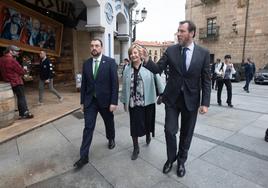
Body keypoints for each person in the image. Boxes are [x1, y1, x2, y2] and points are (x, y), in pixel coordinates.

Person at [144, 20, 211, 177]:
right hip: (172, 99)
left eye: (182, 31)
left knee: (186, 133)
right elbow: (158, 68)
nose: (178, 34)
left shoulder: (203, 53)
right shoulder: (171, 50)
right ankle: (170, 158)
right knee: (169, 130)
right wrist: (147, 60)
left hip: (192, 100)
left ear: (191, 33)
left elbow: (206, 79)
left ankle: (181, 161)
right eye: (178, 31)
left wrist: (205, 103)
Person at [74, 39, 118, 168]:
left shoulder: (110, 62)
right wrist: (82, 101)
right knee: (88, 128)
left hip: (106, 101)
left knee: (109, 122)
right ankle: (84, 156)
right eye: (92, 45)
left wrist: (113, 102)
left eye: (97, 46)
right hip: (90, 102)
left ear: (101, 48)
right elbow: (84, 85)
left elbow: (114, 84)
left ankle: (111, 138)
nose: (94, 48)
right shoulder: (86, 64)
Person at [121, 44, 164, 160]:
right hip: (133, 103)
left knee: (147, 122)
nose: (133, 55)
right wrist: (124, 101)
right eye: (131, 53)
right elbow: (124, 86)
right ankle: (136, 148)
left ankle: (148, 135)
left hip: (148, 101)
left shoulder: (148, 67)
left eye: (135, 53)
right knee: (134, 126)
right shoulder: (127, 69)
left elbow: (157, 78)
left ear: (140, 54)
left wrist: (161, 94)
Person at [0, 45, 33, 119]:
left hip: (7, 83)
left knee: (11, 97)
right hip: (16, 82)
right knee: (21, 97)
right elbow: (21, 71)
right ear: (10, 51)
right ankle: (24, 113)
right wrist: (26, 68)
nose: (18, 53)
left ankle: (9, 111)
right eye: (16, 51)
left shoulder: (1, 59)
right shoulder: (12, 60)